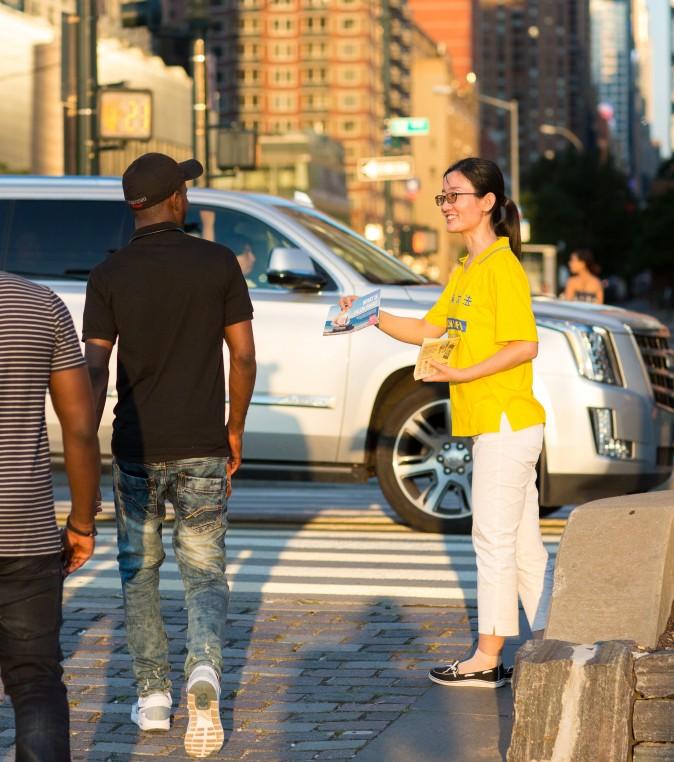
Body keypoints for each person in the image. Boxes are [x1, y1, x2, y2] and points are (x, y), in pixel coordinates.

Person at [340, 157, 554, 688]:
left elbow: (525, 345)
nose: (447, 205)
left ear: (487, 203)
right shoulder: (466, 270)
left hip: (506, 421)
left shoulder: (502, 268)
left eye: (456, 195)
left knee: (492, 538)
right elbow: (428, 328)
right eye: (442, 197)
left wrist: (463, 370)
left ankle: (487, 658)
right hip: (493, 423)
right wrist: (368, 314)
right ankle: (557, 641)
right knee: (522, 544)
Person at [83, 153, 256, 758]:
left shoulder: (109, 275)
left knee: (140, 570)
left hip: (135, 446)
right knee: (204, 571)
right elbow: (243, 355)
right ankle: (203, 671)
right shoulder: (217, 264)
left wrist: (85, 438)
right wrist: (234, 428)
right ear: (176, 201)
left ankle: (154, 696)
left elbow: (97, 365)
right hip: (203, 445)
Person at [0, 271, 100, 761]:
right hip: (25, 534)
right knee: (35, 682)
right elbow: (81, 428)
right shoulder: (41, 306)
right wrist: (82, 522)